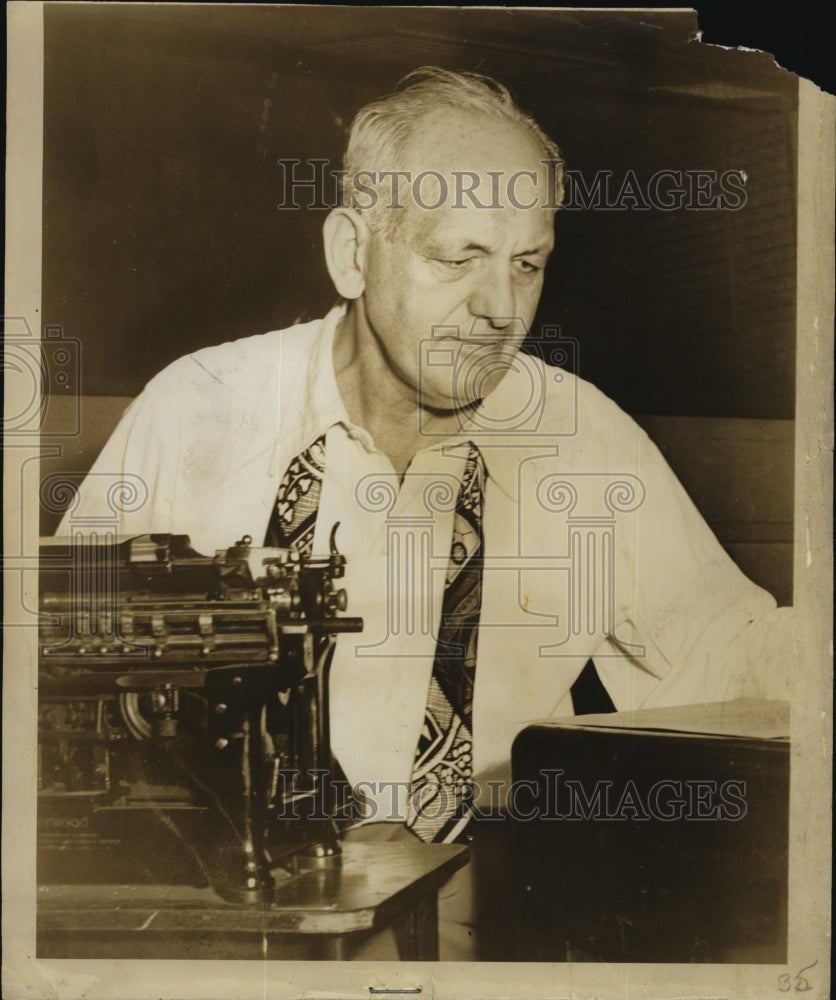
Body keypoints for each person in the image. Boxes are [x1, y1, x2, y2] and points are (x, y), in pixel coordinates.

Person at [58, 67, 793, 958]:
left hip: (492, 941)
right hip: (231, 935)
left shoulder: (582, 438)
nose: (499, 309)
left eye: (528, 265)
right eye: (458, 258)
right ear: (352, 252)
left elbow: (730, 646)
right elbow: (57, 689)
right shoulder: (198, 408)